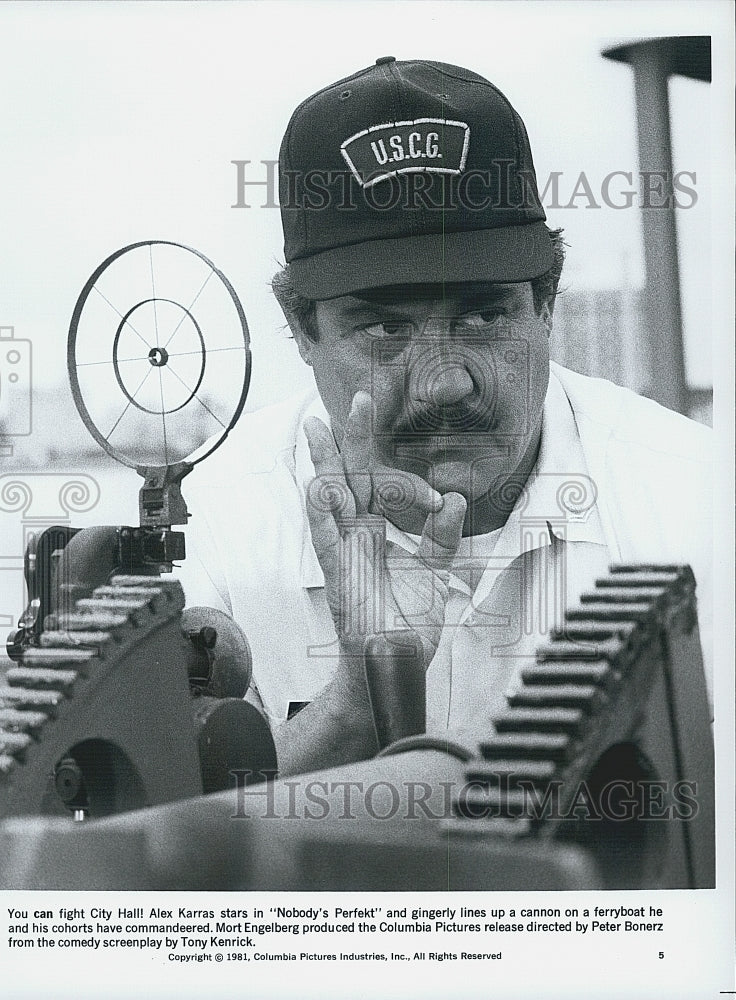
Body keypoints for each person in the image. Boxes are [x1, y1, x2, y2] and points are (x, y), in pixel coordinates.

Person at [180, 57, 713, 776]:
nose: (446, 383)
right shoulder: (212, 528)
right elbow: (162, 832)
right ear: (302, 328)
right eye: (385, 328)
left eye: (484, 315)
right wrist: (355, 705)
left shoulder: (701, 503)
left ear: (547, 301)